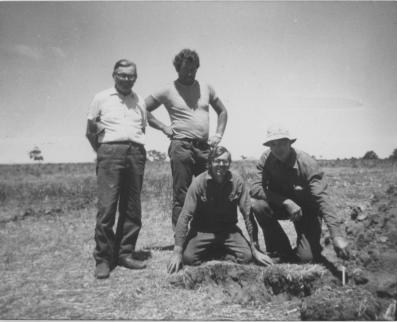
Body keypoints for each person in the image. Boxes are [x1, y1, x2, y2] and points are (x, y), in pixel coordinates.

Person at [145, 48, 228, 231]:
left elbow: (222, 111)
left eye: (193, 69)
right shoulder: (167, 89)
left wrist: (218, 135)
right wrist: (163, 127)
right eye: (185, 70)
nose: (190, 73)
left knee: (207, 190)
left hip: (204, 148)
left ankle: (204, 235)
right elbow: (142, 109)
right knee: (182, 194)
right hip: (181, 146)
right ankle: (180, 239)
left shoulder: (206, 87)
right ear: (177, 69)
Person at [250, 124, 350, 263]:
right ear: (269, 146)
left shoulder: (307, 164)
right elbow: (255, 188)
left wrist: (336, 236)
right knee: (258, 205)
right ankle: (281, 251)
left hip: (308, 211)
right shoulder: (266, 159)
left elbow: (322, 199)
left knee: (306, 258)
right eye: (273, 144)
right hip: (283, 206)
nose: (278, 148)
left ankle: (307, 247)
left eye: (283, 143)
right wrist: (286, 202)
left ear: (290, 143)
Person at [167, 146, 273, 274]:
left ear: (229, 163)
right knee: (188, 258)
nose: (221, 164)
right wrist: (177, 251)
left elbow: (247, 215)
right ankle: (215, 250)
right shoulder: (198, 183)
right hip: (202, 230)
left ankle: (219, 250)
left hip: (228, 231)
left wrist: (255, 248)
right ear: (210, 163)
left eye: (225, 161)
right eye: (217, 161)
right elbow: (185, 216)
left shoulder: (237, 182)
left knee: (247, 257)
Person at [86, 59, 147, 279]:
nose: (126, 78)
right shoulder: (101, 98)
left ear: (135, 78)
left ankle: (125, 253)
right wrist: (104, 153)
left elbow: (142, 127)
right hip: (110, 152)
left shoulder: (139, 100)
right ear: (114, 75)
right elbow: (90, 130)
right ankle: (103, 259)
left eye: (131, 75)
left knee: (132, 207)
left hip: (136, 153)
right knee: (107, 208)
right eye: (122, 74)